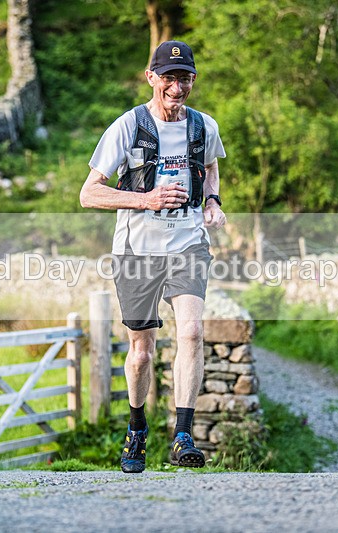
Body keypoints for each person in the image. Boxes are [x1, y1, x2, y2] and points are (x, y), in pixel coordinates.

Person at [80, 40, 226, 473]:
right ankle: (137, 427)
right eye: (169, 78)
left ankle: (183, 434)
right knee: (142, 352)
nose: (177, 87)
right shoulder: (127, 127)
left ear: (193, 80)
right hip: (137, 250)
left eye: (184, 78)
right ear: (151, 78)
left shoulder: (204, 126)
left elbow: (212, 165)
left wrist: (213, 201)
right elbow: (89, 194)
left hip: (187, 244)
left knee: (192, 333)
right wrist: (148, 199)